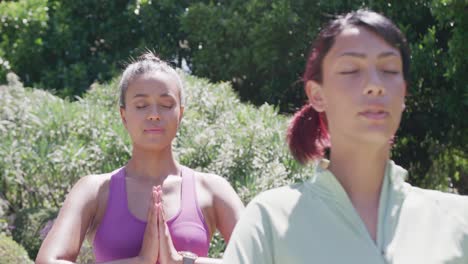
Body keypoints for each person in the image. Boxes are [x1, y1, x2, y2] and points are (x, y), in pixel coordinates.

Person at [222, 9, 468, 264]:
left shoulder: (458, 221)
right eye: (351, 70)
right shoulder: (270, 221)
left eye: (389, 69)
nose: (375, 84)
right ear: (317, 95)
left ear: (404, 93)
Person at [36, 52, 244, 264]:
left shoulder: (212, 189)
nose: (154, 114)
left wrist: (180, 261)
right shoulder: (94, 191)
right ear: (124, 115)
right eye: (141, 105)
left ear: (180, 114)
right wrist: (141, 261)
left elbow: (263, 258)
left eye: (166, 104)